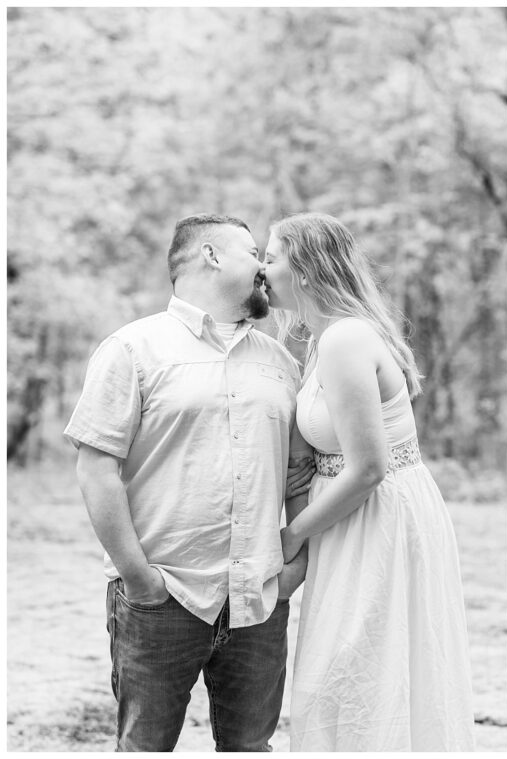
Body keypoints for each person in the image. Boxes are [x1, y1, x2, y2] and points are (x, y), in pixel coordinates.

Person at [65, 214, 313, 751]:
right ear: (210, 255)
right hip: (162, 596)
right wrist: (139, 579)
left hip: (259, 599)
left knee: (250, 748)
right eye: (254, 253)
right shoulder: (132, 349)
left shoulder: (279, 361)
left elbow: (299, 472)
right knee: (146, 748)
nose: (265, 268)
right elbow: (95, 468)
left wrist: (294, 568)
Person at [263, 212, 475, 751]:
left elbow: (367, 468)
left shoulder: (345, 341)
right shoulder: (322, 340)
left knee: (361, 666)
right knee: (341, 671)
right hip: (346, 517)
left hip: (377, 516)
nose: (263, 271)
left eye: (271, 257)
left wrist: (289, 541)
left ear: (305, 270)